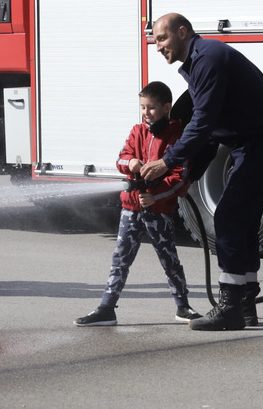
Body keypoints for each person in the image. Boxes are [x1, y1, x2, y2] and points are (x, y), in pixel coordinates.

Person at [141, 13, 263, 331]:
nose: (157, 47)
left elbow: (203, 123)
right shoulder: (200, 62)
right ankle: (245, 301)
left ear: (182, 32)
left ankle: (231, 306)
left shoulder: (208, 58)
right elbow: (211, 135)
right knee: (244, 220)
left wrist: (167, 162)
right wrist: (187, 179)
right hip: (253, 144)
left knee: (228, 218)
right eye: (155, 40)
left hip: (262, 143)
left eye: (162, 38)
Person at [74, 82, 201, 327]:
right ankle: (106, 308)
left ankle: (183, 307)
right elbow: (121, 157)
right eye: (143, 107)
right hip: (130, 209)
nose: (146, 113)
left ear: (167, 108)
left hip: (158, 211)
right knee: (120, 259)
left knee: (169, 260)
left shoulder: (176, 135)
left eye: (151, 108)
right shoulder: (137, 131)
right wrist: (131, 162)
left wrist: (157, 197)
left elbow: (179, 176)